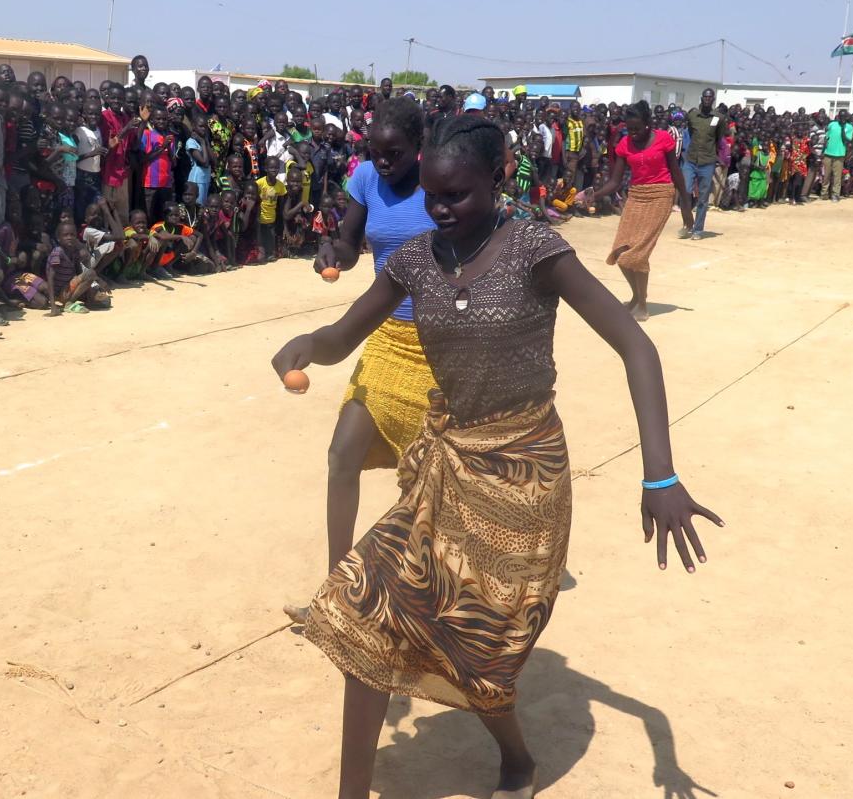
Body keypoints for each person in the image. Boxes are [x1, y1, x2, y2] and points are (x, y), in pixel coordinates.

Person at [271, 112, 722, 799]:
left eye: (457, 195)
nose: (441, 209)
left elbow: (636, 345)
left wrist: (660, 474)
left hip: (524, 477)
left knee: (479, 649)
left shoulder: (536, 250)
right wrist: (308, 344)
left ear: (498, 177)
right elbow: (342, 335)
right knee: (365, 613)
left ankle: (516, 759)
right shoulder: (415, 259)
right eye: (431, 196)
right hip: (447, 462)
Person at [282, 96, 438, 625]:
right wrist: (333, 251)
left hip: (439, 344)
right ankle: (337, 595)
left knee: (428, 480)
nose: (384, 162)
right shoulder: (366, 178)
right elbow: (352, 245)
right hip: (385, 334)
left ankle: (421, 602)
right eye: (376, 151)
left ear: (420, 146)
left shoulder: (439, 181)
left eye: (395, 153)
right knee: (342, 457)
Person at [576, 101, 694, 322]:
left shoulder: (663, 139)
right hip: (636, 196)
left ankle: (642, 304)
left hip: (660, 195)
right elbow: (615, 182)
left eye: (637, 129)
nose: (633, 133)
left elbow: (676, 172)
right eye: (629, 129)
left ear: (648, 123)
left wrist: (686, 206)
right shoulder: (624, 144)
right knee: (620, 252)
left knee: (637, 254)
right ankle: (637, 296)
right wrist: (593, 195)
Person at [680, 89, 726, 240]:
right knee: (685, 191)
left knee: (703, 198)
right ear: (701, 98)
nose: (707, 99)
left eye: (710, 97)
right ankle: (688, 223)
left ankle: (698, 230)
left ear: (713, 99)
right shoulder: (692, 115)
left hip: (707, 162)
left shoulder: (719, 118)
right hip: (691, 159)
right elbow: (691, 133)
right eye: (705, 97)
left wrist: (711, 152)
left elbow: (718, 138)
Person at [823, 110, 853, 202]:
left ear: (847, 117)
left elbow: (846, 140)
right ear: (839, 117)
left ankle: (835, 194)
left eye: (844, 117)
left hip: (839, 154)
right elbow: (826, 138)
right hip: (828, 153)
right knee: (826, 175)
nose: (842, 118)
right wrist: (823, 151)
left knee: (837, 176)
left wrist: (843, 129)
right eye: (841, 116)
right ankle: (824, 193)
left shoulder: (849, 127)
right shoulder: (832, 124)